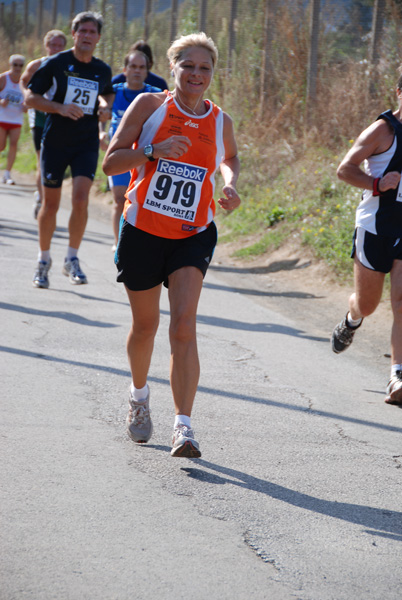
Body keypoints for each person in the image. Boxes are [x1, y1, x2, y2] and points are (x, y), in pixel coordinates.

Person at [103, 32, 241, 457]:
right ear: (174, 68)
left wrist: (231, 183)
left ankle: (184, 427)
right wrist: (152, 150)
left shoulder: (220, 121)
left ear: (212, 73)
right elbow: (111, 161)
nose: (197, 74)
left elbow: (229, 158)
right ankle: (139, 397)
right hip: (143, 230)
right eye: (189, 66)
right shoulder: (150, 106)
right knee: (146, 326)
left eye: (205, 68)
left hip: (193, 234)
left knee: (183, 326)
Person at [25, 11, 114, 289]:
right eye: (82, 31)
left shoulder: (102, 68)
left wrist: (104, 107)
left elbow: (108, 92)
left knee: (80, 198)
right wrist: (59, 107)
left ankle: (71, 259)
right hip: (56, 141)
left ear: (98, 37)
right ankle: (43, 260)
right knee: (51, 204)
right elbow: (30, 98)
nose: (87, 36)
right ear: (74, 34)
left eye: (92, 32)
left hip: (85, 142)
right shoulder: (56, 63)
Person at [331, 74, 402, 405]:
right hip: (376, 226)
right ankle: (352, 317)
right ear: (399, 92)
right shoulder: (383, 130)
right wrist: (377, 185)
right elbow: (345, 169)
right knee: (369, 304)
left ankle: (397, 374)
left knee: (401, 301)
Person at [101, 50, 161, 248]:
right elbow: (101, 114)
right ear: (125, 70)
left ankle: (140, 243)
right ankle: (119, 244)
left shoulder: (154, 95)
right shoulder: (114, 92)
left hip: (145, 157)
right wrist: (100, 133)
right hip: (120, 155)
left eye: (141, 67)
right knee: (119, 199)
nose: (137, 71)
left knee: (142, 201)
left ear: (147, 71)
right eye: (133, 67)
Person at [21, 29, 67, 218]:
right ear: (45, 46)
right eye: (52, 45)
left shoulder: (68, 65)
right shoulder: (37, 64)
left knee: (56, 162)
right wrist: (27, 98)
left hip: (60, 118)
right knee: (43, 161)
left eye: (59, 45)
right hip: (40, 119)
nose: (55, 49)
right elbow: (23, 82)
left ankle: (46, 196)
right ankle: (42, 200)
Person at [0, 54, 26, 185]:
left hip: (16, 119)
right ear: (11, 65)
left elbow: (29, 99)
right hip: (2, 118)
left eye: (21, 65)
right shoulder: (3, 78)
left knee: (14, 145)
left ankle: (7, 174)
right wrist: (1, 102)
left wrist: (27, 106)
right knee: (1, 145)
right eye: (15, 65)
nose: (18, 68)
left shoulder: (25, 81)